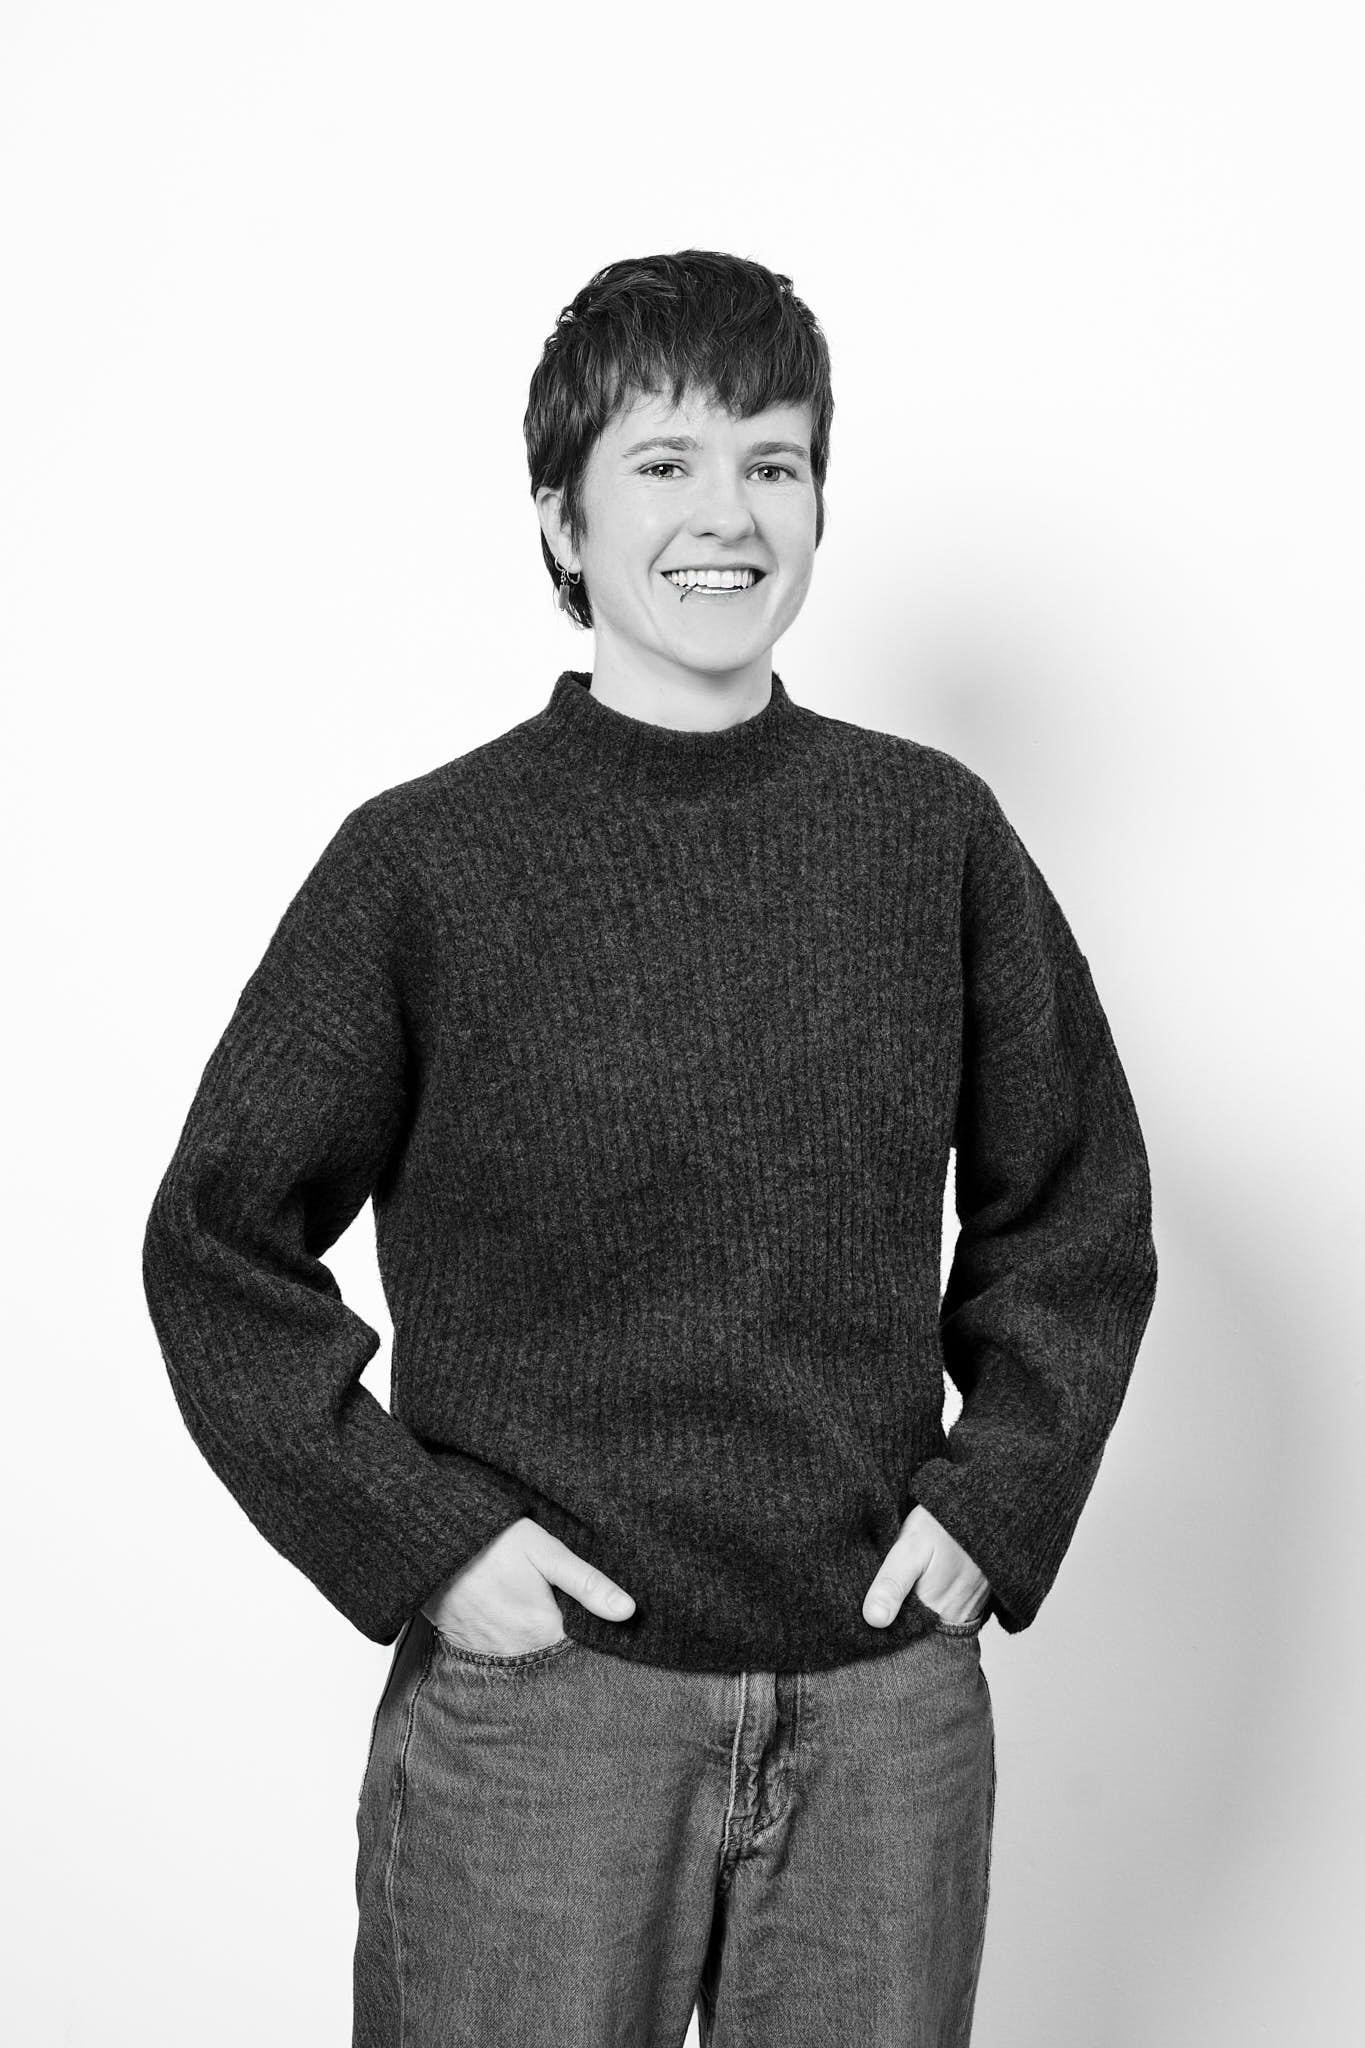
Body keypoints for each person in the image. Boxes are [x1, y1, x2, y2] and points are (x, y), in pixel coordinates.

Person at [142, 248, 1158, 2047]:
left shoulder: (927, 837)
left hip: (882, 1721)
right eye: (665, 462)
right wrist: (423, 1543)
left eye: (773, 463)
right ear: (563, 518)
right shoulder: (426, 865)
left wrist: (995, 1498)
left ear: (819, 505)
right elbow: (217, 1243)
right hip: (547, 1720)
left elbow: (1074, 1209)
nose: (726, 515)